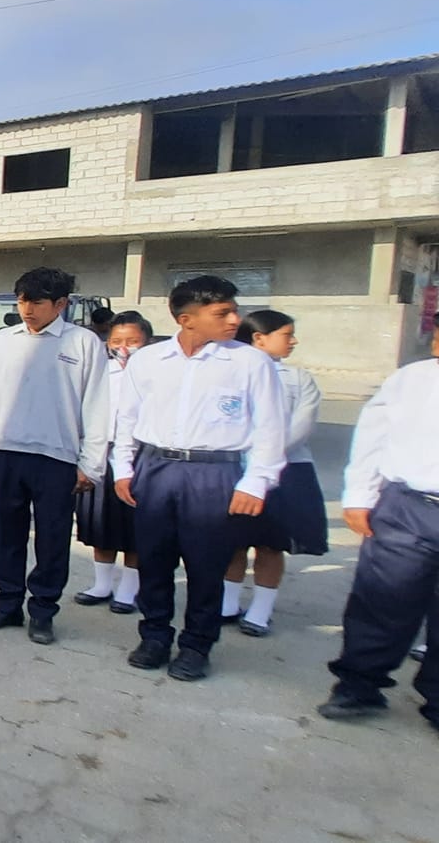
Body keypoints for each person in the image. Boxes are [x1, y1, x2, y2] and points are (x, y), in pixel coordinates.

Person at [111, 276, 288, 681]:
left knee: (206, 565)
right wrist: (123, 468)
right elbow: (127, 418)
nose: (234, 320)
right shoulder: (148, 361)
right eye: (222, 313)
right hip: (156, 468)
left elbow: (270, 429)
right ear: (186, 319)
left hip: (215, 472)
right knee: (153, 560)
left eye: (234, 311)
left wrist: (255, 482)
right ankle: (155, 636)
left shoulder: (250, 363)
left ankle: (196, 645)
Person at [0, 267, 111, 646]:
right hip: (5, 454)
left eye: (37, 302)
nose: (27, 309)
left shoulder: (82, 344)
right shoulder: (2, 342)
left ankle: (43, 612)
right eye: (21, 301)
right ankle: (7, 604)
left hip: (57, 457)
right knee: (6, 535)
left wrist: (91, 464)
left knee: (52, 538)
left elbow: (98, 406)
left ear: (60, 304)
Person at [315, 324, 438, 728]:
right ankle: (359, 686)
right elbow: (372, 437)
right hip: (410, 507)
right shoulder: (412, 380)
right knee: (383, 599)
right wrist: (358, 497)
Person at [224, 310, 328, 637]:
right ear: (259, 338)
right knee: (233, 542)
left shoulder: (298, 379)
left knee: (271, 544)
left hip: (286, 470)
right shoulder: (232, 371)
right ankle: (226, 603)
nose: (293, 341)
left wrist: (264, 455)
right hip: (234, 467)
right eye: (287, 334)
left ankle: (260, 610)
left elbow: (301, 426)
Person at [74, 310, 152, 615]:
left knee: (134, 526)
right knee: (99, 521)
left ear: (146, 341)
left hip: (140, 456)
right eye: (117, 341)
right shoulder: (102, 373)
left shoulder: (154, 375)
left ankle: (129, 589)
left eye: (133, 341)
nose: (124, 347)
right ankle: (102, 584)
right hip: (101, 452)